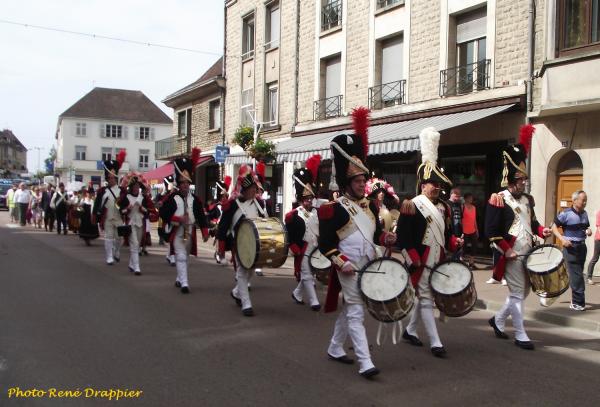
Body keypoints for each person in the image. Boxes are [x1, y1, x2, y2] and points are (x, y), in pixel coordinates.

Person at [318, 108, 396, 378]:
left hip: (369, 263)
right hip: (348, 267)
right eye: (358, 180)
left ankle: (335, 347)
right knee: (355, 312)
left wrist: (386, 237)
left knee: (354, 308)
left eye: (364, 179)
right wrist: (341, 262)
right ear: (347, 182)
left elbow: (374, 236)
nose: (363, 184)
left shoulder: (371, 207)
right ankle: (365, 362)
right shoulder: (334, 209)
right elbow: (325, 244)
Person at [397, 127, 462, 359]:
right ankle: (435, 342)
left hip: (438, 259)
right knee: (425, 298)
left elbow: (445, 235)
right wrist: (412, 257)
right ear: (423, 184)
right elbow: (403, 239)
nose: (436, 187)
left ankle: (410, 330)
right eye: (432, 183)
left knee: (426, 297)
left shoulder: (444, 206)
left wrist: (455, 241)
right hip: (421, 260)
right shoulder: (412, 205)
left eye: (438, 184)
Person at [485, 124, 552, 350]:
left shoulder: (527, 199)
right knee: (516, 293)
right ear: (511, 180)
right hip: (512, 253)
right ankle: (521, 334)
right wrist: (507, 249)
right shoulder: (498, 199)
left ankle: (498, 320)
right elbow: (491, 231)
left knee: (522, 293)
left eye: (525, 179)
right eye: (521, 179)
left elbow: (532, 223)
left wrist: (543, 231)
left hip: (529, 252)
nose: (524, 182)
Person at [217, 164, 267, 316]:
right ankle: (246, 304)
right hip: (238, 243)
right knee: (241, 271)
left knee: (250, 271)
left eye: (254, 188)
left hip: (255, 245)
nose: (254, 190)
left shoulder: (260, 203)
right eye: (252, 188)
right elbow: (223, 226)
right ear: (244, 190)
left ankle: (236, 293)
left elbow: (264, 222)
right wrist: (221, 248)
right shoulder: (232, 205)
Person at [162, 149, 209, 293]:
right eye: (182, 182)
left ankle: (179, 278)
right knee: (181, 257)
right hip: (177, 231)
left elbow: (201, 216)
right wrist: (178, 218)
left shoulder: (195, 200)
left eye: (187, 182)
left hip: (191, 232)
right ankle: (184, 283)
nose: (185, 185)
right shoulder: (171, 198)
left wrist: (205, 231)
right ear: (178, 183)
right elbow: (163, 214)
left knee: (186, 257)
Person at [286, 154, 322, 311]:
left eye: (310, 198)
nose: (309, 201)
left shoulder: (317, 212)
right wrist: (293, 246)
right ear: (301, 199)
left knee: (311, 273)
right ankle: (314, 301)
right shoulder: (293, 215)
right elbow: (290, 233)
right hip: (303, 248)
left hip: (315, 248)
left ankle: (297, 294)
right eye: (306, 199)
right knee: (307, 274)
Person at [552, 190, 592, 311]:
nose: (585, 202)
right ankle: (578, 303)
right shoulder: (566, 214)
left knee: (577, 273)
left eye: (586, 200)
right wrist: (562, 239)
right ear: (574, 200)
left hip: (582, 247)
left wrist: (589, 231)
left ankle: (558, 290)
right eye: (583, 200)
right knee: (577, 275)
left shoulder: (585, 213)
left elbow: (586, 227)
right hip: (570, 248)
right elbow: (553, 226)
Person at [93, 150, 127, 265]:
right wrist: (95, 216)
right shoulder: (102, 191)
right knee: (108, 237)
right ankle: (109, 257)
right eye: (109, 177)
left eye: (113, 177)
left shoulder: (122, 191)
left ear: (116, 177)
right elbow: (97, 204)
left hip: (118, 217)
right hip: (107, 217)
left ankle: (116, 251)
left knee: (119, 238)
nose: (111, 179)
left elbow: (126, 203)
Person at [118, 173, 155, 276]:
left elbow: (149, 211)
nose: (136, 188)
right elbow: (120, 210)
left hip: (140, 223)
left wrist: (142, 208)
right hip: (130, 223)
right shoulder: (127, 197)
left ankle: (131, 264)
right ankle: (137, 267)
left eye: (137, 186)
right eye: (134, 186)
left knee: (137, 245)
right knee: (134, 244)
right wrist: (127, 209)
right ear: (131, 187)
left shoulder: (142, 198)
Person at [157, 175, 176, 265]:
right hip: (166, 219)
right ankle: (171, 256)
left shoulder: (175, 195)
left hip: (175, 219)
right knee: (170, 238)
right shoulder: (164, 196)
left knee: (173, 239)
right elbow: (160, 207)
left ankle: (170, 255)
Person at [462, 192, 479, 267]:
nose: (471, 199)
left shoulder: (474, 207)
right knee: (464, 247)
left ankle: (471, 262)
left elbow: (474, 219)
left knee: (474, 246)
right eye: (469, 198)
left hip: (472, 230)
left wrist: (477, 229)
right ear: (465, 199)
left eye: (471, 198)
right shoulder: (462, 206)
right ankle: (461, 261)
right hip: (464, 230)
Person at [586, 209, 600, 285]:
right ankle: (589, 277)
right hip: (599, 239)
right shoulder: (599, 213)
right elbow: (599, 227)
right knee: (595, 258)